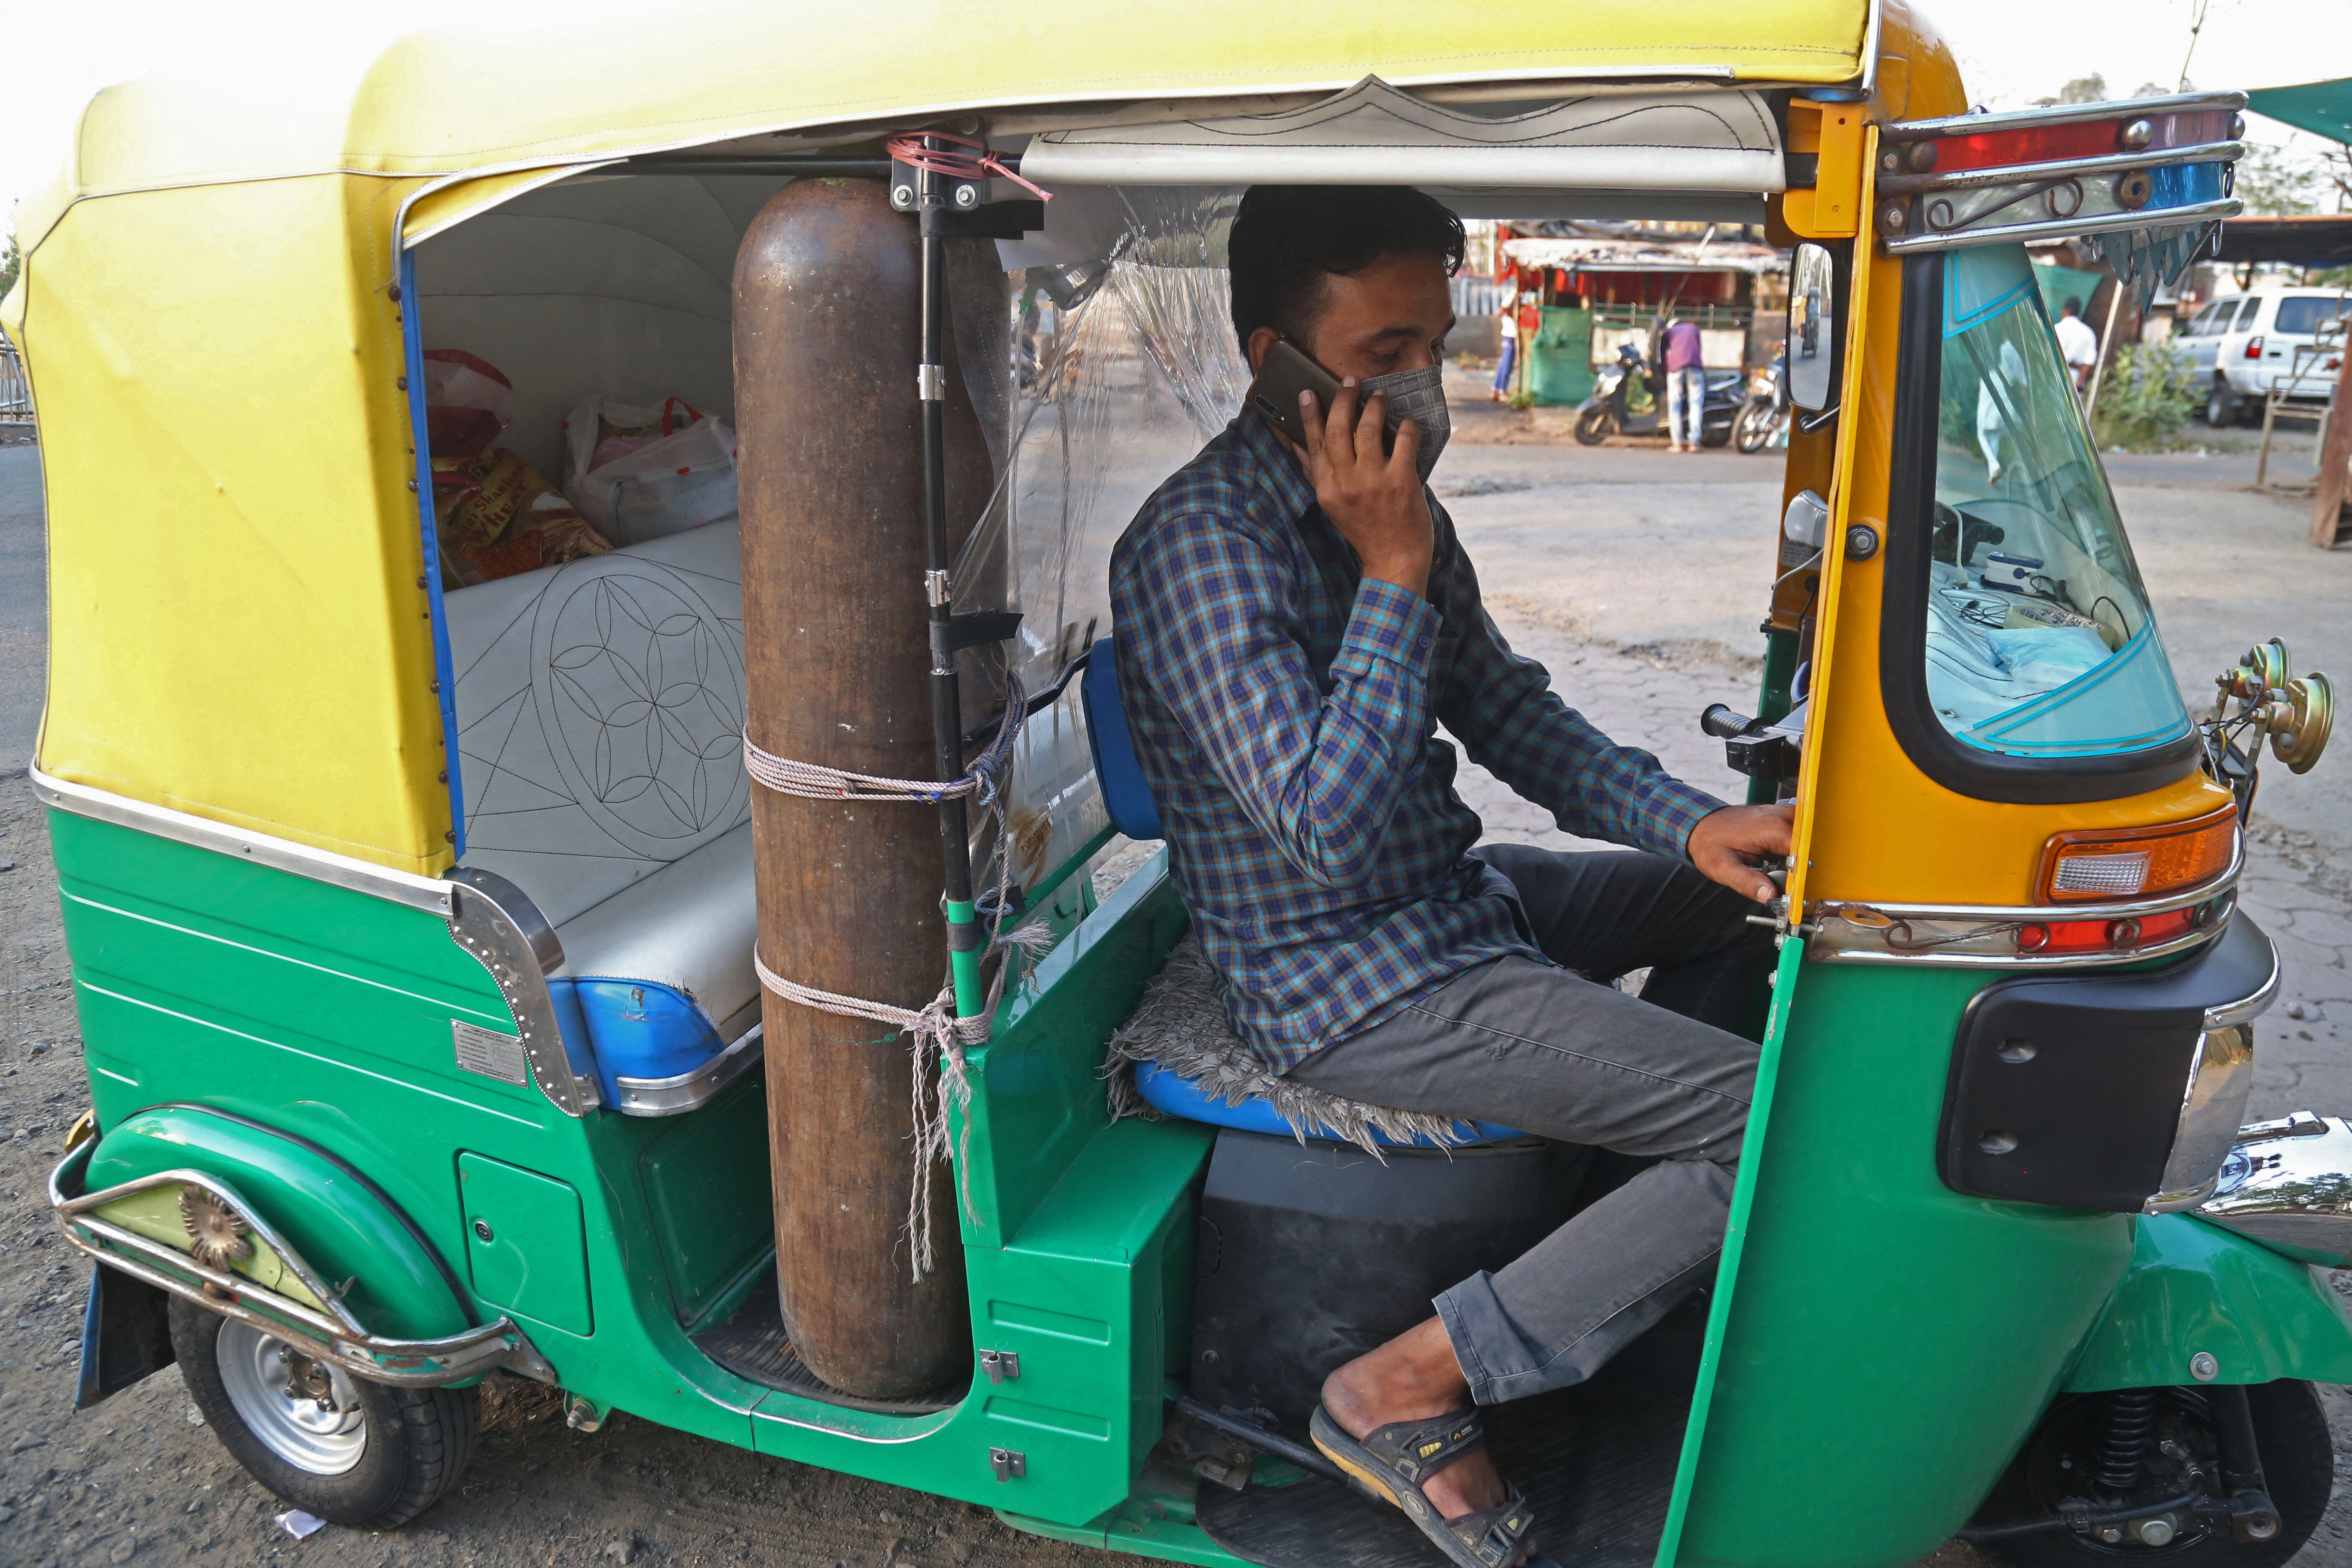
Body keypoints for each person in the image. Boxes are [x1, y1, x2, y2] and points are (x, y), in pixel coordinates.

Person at [1107, 185, 1790, 1568]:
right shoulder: (1204, 549)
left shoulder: (1380, 500)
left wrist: (1687, 824)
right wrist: (1395, 568)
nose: (1421, 380)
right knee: (1783, 1125)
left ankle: (1626, 1242)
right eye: (1381, 354)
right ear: (1271, 360)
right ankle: (1407, 1384)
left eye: (1434, 339)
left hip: (1454, 906)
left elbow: (1513, 711)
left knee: (1751, 894)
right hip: (1347, 981)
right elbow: (1327, 832)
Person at [1662, 312, 1706, 451]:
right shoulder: (1694, 328)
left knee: (1675, 405)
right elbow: (1698, 349)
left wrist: (1664, 373)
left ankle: (1678, 443)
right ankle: (1694, 443)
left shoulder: (1668, 332)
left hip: (1675, 368)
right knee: (1696, 404)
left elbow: (1662, 354)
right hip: (1695, 367)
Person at [2054, 295, 2099, 397]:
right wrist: (2078, 385)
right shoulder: (2088, 333)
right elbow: (2089, 363)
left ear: (2065, 310)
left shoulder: (2056, 330)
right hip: (2075, 386)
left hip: (2055, 382)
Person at [1491, 292, 1519, 403]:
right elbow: (1501, 312)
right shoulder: (1513, 294)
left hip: (1510, 334)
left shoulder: (1518, 294)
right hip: (1509, 334)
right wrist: (1512, 314)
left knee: (1504, 363)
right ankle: (1502, 390)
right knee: (1507, 363)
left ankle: (1496, 390)